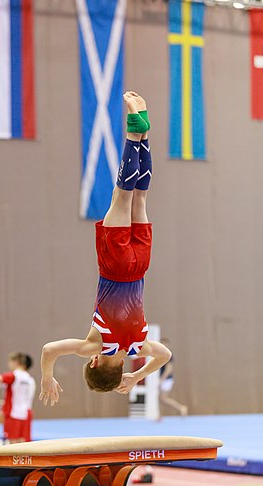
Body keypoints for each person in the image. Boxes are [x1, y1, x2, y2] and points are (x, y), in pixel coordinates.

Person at [40, 91, 171, 406]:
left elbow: (165, 355)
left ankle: (142, 137)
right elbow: (48, 350)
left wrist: (137, 376)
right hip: (115, 266)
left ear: (121, 365)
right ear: (95, 362)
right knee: (122, 197)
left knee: (140, 199)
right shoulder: (92, 346)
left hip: (139, 266)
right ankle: (132, 133)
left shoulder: (139, 347)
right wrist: (47, 376)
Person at [0, 352, 36, 443]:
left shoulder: (13, 376)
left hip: (13, 413)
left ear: (16, 362)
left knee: (13, 442)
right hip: (26, 413)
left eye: (10, 362)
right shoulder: (30, 379)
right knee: (23, 442)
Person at [159, 338, 188, 417]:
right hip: (163, 379)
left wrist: (162, 379)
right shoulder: (160, 354)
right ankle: (159, 415)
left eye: (164, 344)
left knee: (163, 398)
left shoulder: (168, 355)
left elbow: (169, 369)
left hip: (166, 379)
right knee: (160, 398)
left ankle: (181, 408)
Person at [22, 354, 36, 442]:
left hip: (24, 411)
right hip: (26, 410)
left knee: (24, 439)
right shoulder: (31, 380)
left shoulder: (27, 380)